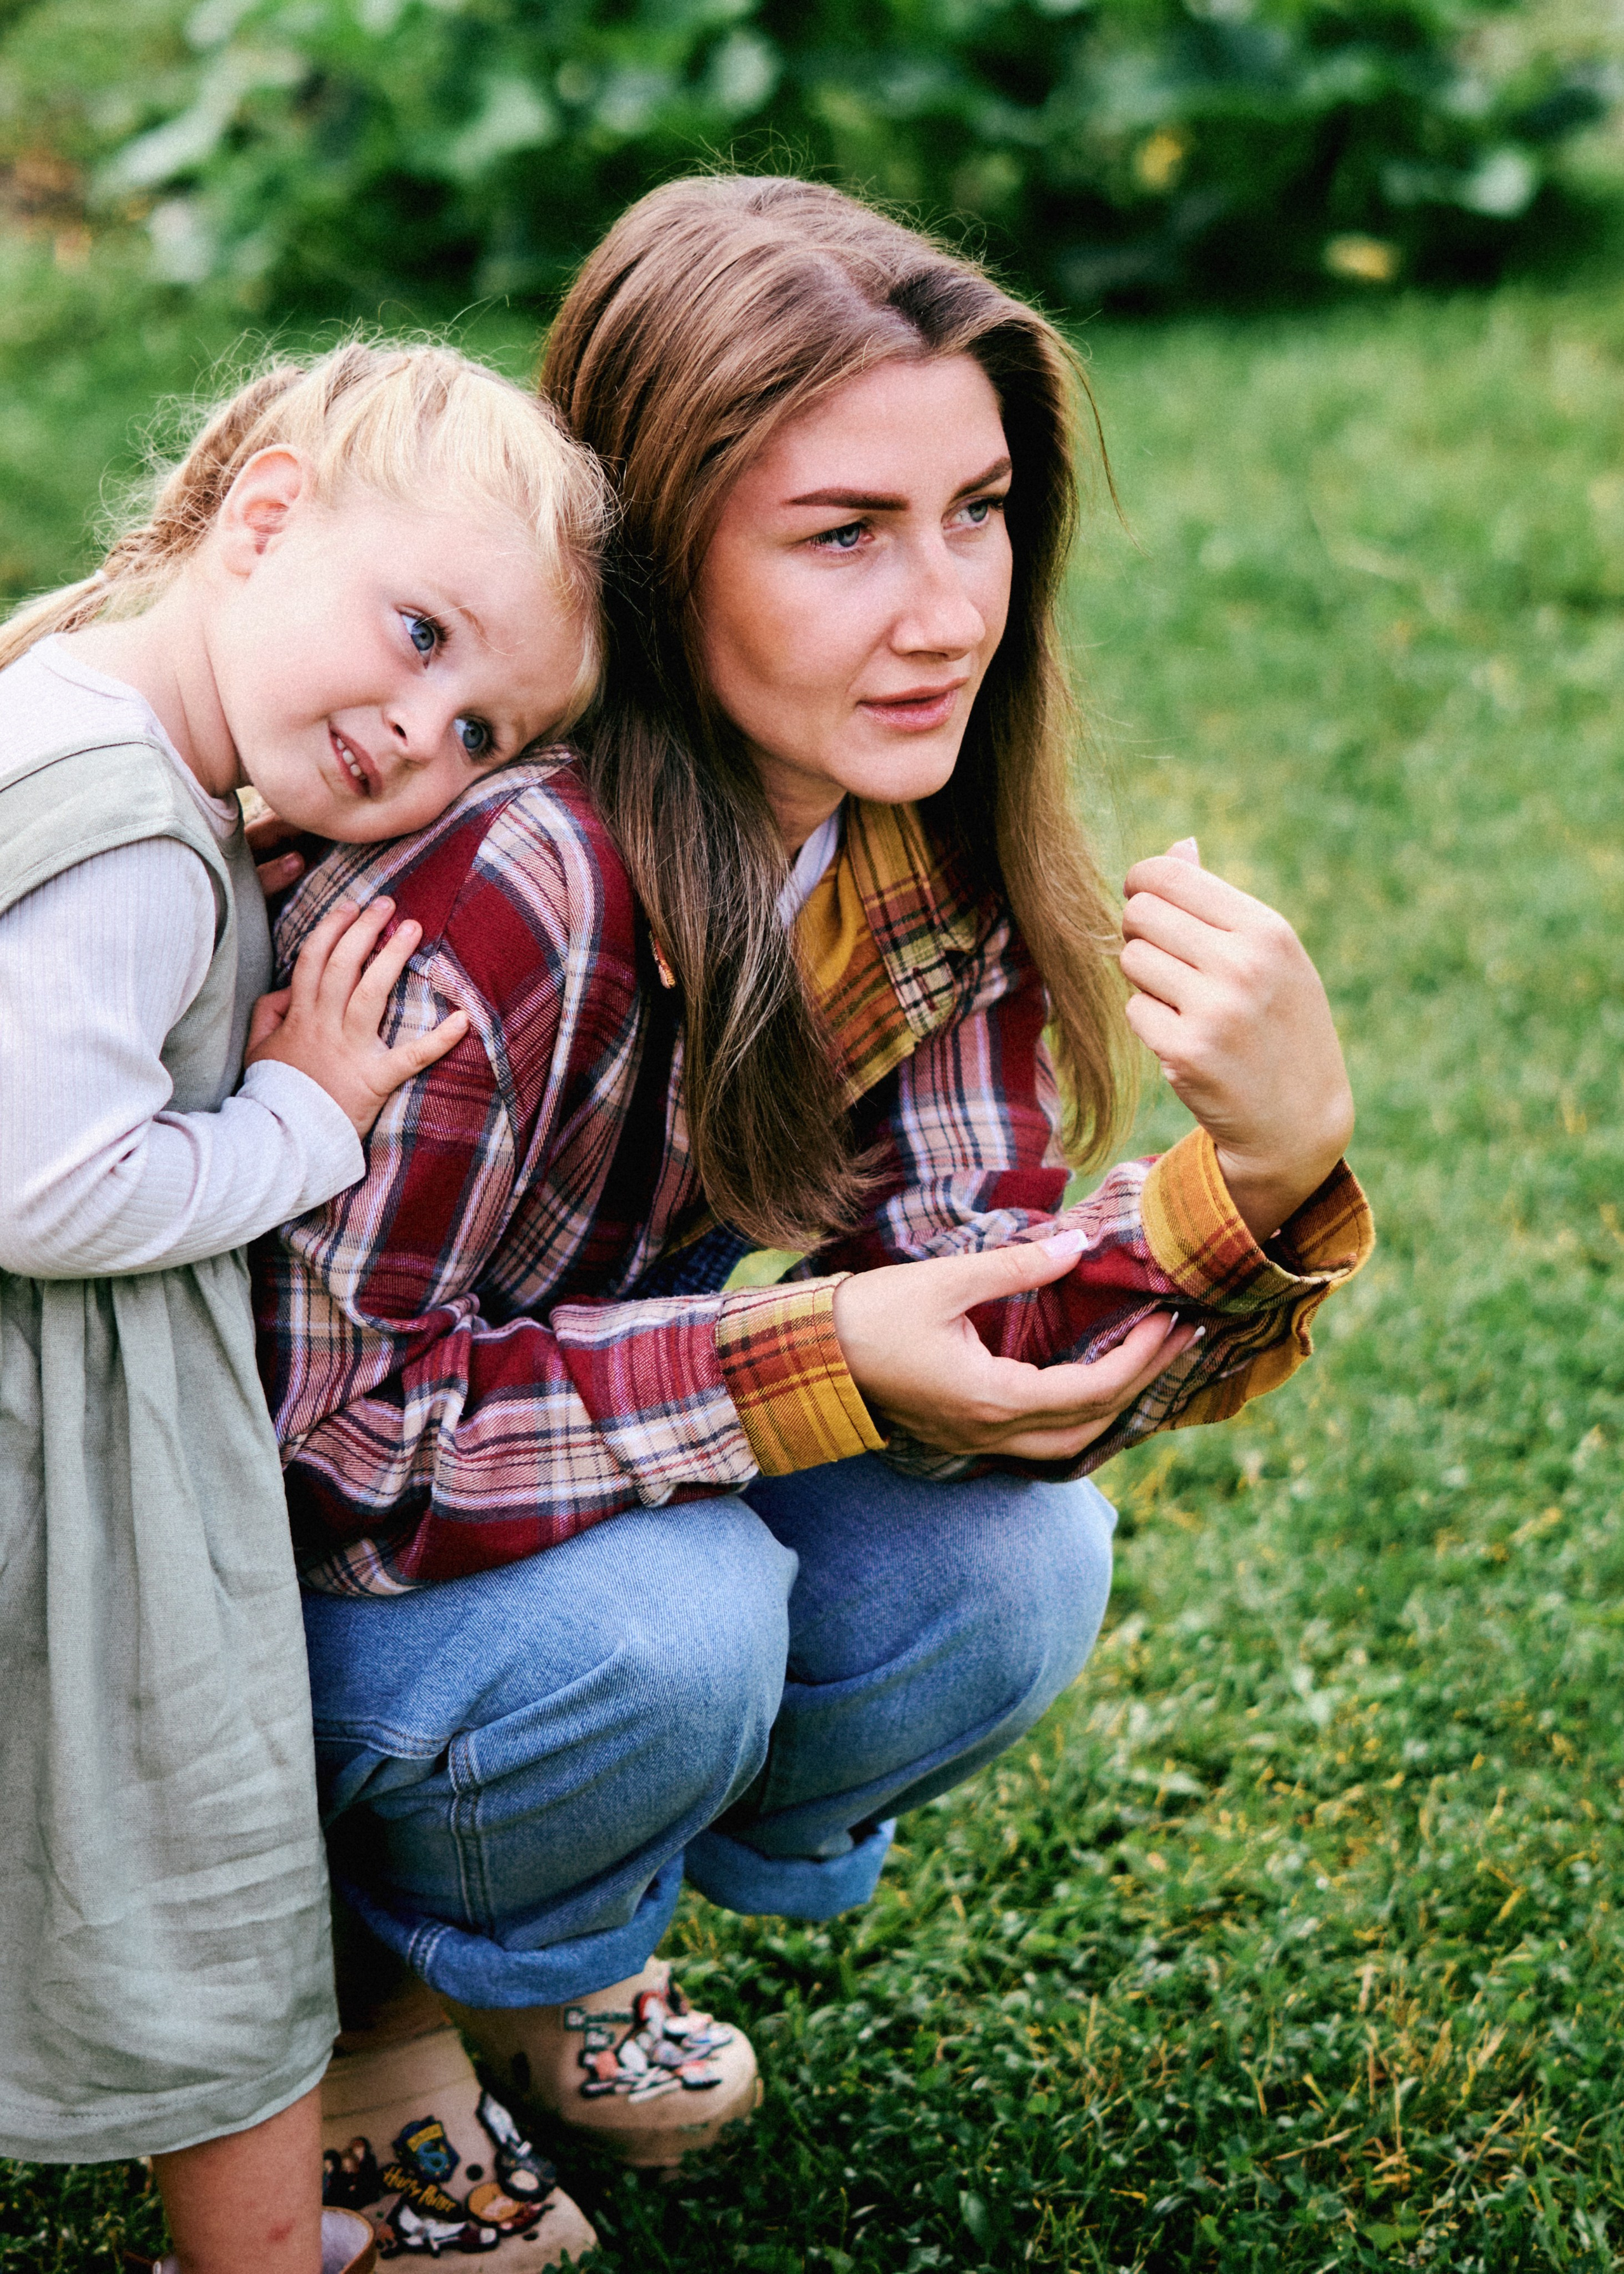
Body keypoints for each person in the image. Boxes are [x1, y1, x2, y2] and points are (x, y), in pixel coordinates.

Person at [255, 179, 1373, 2233]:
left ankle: (534, 1942)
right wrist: (802, 1361)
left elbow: (991, 1323)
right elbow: (319, 1453)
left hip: (483, 1518)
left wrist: (1277, 1175)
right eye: (844, 535)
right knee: (673, 1635)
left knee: (1005, 1564)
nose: (947, 608)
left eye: (978, 509)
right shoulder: (513, 884)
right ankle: (352, 2019)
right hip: (206, 1604)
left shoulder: (897, 853)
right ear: (664, 565)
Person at [0, 340, 610, 2274]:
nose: (423, 728)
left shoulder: (75, 716)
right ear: (260, 516)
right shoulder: (126, 830)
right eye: (419, 631)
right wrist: (302, 1115)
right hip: (62, 1456)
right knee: (205, 1846)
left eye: (485, 730)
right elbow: (43, 1179)